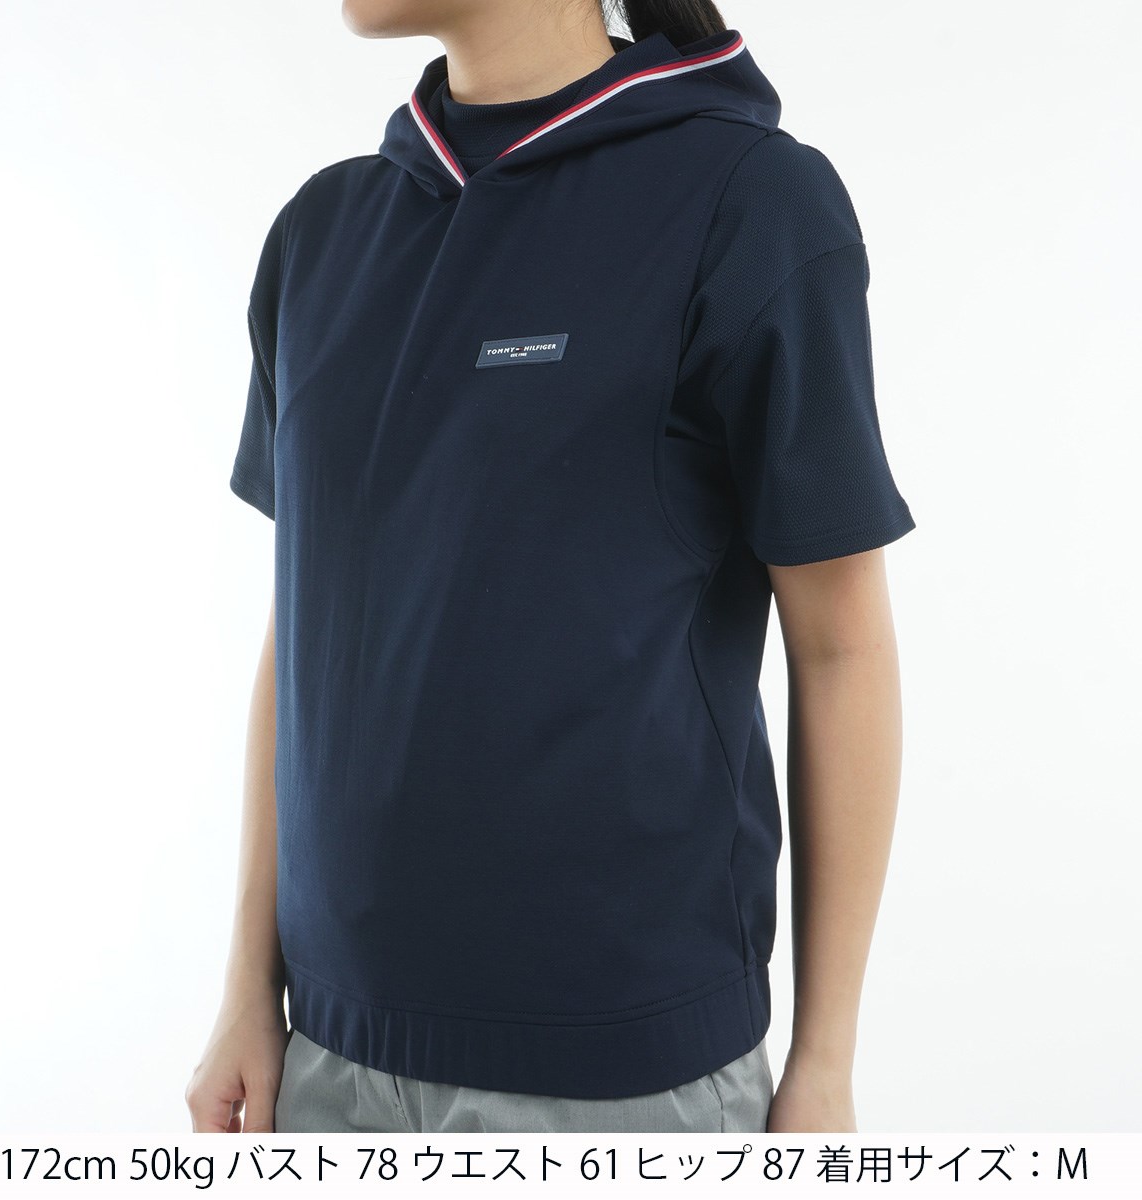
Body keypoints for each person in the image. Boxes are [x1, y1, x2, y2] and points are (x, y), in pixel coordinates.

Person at [186, 0, 916, 1136]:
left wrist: (825, 1061)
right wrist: (248, 987)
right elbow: (303, 633)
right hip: (326, 1056)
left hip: (627, 1074)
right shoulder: (321, 232)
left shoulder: (748, 200)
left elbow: (841, 645)